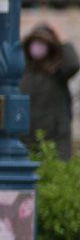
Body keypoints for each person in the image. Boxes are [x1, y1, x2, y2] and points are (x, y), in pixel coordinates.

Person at [19, 24, 79, 160]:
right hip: (27, 140)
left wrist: (62, 41)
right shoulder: (23, 71)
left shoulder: (57, 71)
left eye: (43, 43)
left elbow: (73, 64)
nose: (38, 47)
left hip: (55, 140)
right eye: (35, 42)